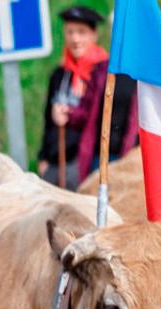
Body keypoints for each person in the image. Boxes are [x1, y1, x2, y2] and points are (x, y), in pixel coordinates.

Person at [38, 6, 106, 188]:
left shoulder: (101, 73)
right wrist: (43, 157)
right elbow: (48, 119)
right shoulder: (59, 74)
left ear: (94, 35)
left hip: (84, 160)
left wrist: (70, 113)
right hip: (55, 160)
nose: (75, 39)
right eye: (70, 32)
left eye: (82, 32)